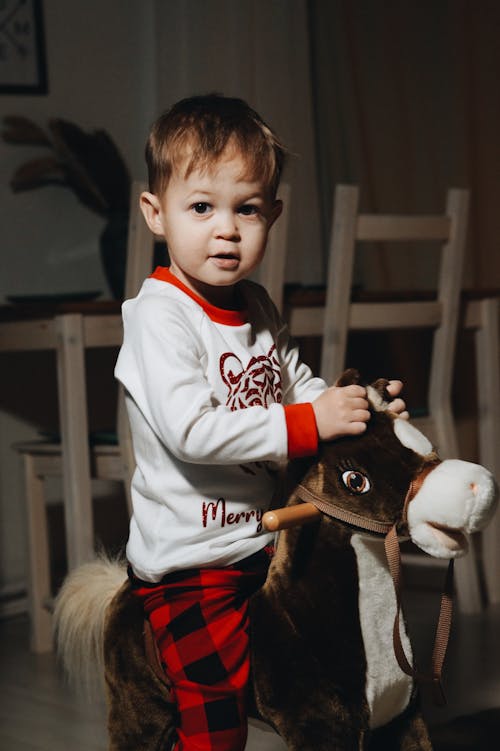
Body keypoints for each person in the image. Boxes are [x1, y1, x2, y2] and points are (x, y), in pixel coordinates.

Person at [114, 93, 407, 751]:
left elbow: (289, 382)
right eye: (201, 207)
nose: (227, 229)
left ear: (272, 214)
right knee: (215, 723)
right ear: (155, 213)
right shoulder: (158, 316)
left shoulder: (257, 305)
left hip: (260, 545)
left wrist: (353, 409)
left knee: (316, 676)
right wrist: (308, 422)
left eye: (246, 208)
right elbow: (192, 429)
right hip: (191, 563)